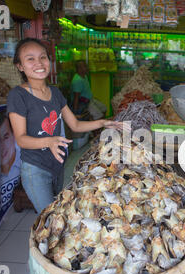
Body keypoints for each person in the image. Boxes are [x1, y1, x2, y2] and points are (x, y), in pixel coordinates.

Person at [7, 38, 124, 214]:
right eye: (30, 59)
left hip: (58, 165)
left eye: (43, 57)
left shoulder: (54, 92)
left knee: (57, 212)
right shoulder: (18, 95)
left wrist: (103, 122)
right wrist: (49, 142)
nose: (38, 63)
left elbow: (75, 124)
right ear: (20, 66)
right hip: (35, 168)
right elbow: (21, 139)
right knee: (50, 219)